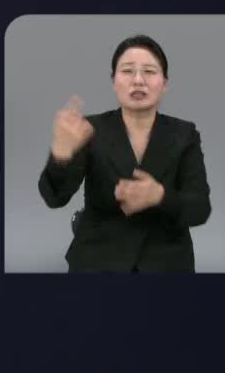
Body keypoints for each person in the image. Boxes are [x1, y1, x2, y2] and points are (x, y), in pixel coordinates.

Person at [38, 34, 212, 272]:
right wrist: (60, 154)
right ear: (113, 81)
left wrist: (160, 196)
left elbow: (200, 209)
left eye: (150, 72)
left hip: (167, 263)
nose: (138, 80)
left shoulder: (185, 134)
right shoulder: (89, 129)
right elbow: (55, 198)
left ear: (165, 83)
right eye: (127, 71)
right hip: (97, 260)